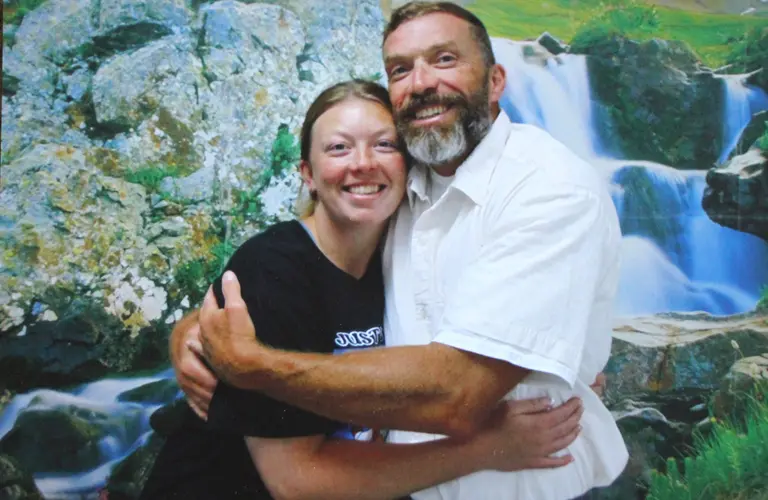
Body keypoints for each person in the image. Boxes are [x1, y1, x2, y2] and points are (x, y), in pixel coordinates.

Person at [177, 2, 630, 499]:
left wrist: (256, 365)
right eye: (400, 69)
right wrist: (193, 331)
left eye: (444, 59)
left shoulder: (548, 189)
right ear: (307, 173)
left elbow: (456, 396)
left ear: (496, 80)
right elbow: (293, 275)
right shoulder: (407, 189)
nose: (421, 82)